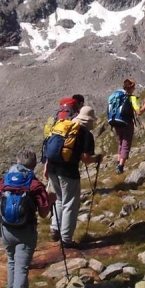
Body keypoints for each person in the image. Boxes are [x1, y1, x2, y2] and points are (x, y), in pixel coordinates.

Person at [0, 148, 55, 288]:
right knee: (22, 267)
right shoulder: (34, 184)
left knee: (11, 261)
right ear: (34, 166)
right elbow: (43, 213)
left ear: (17, 162)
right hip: (26, 231)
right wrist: (51, 199)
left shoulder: (5, 181)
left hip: (6, 230)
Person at [47, 105, 104, 249]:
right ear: (89, 120)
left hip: (52, 167)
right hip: (68, 171)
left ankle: (55, 229)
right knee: (70, 204)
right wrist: (96, 159)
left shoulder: (64, 125)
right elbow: (85, 158)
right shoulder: (85, 133)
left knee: (59, 199)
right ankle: (66, 239)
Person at [110, 78, 145, 174]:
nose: (134, 89)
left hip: (116, 122)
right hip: (127, 123)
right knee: (126, 143)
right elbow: (138, 112)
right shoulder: (132, 98)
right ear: (131, 87)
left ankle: (119, 163)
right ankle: (120, 167)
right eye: (134, 87)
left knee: (120, 143)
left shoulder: (118, 96)